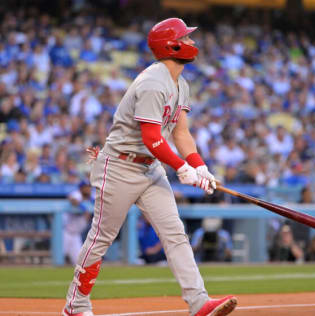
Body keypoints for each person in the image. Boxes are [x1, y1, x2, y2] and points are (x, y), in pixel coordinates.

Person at [62, 18, 237, 316]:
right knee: (101, 238)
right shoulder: (153, 82)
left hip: (150, 169)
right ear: (173, 45)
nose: (193, 43)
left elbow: (181, 133)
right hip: (119, 167)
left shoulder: (181, 83)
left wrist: (200, 166)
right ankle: (75, 305)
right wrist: (183, 169)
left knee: (175, 233)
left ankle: (199, 302)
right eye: (187, 38)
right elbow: (152, 137)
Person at [64, 180, 94, 265]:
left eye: (89, 187)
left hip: (76, 235)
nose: (88, 189)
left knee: (79, 262)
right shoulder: (77, 194)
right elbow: (72, 199)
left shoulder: (91, 197)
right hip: (65, 232)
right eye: (86, 187)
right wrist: (83, 207)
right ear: (81, 188)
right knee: (58, 258)